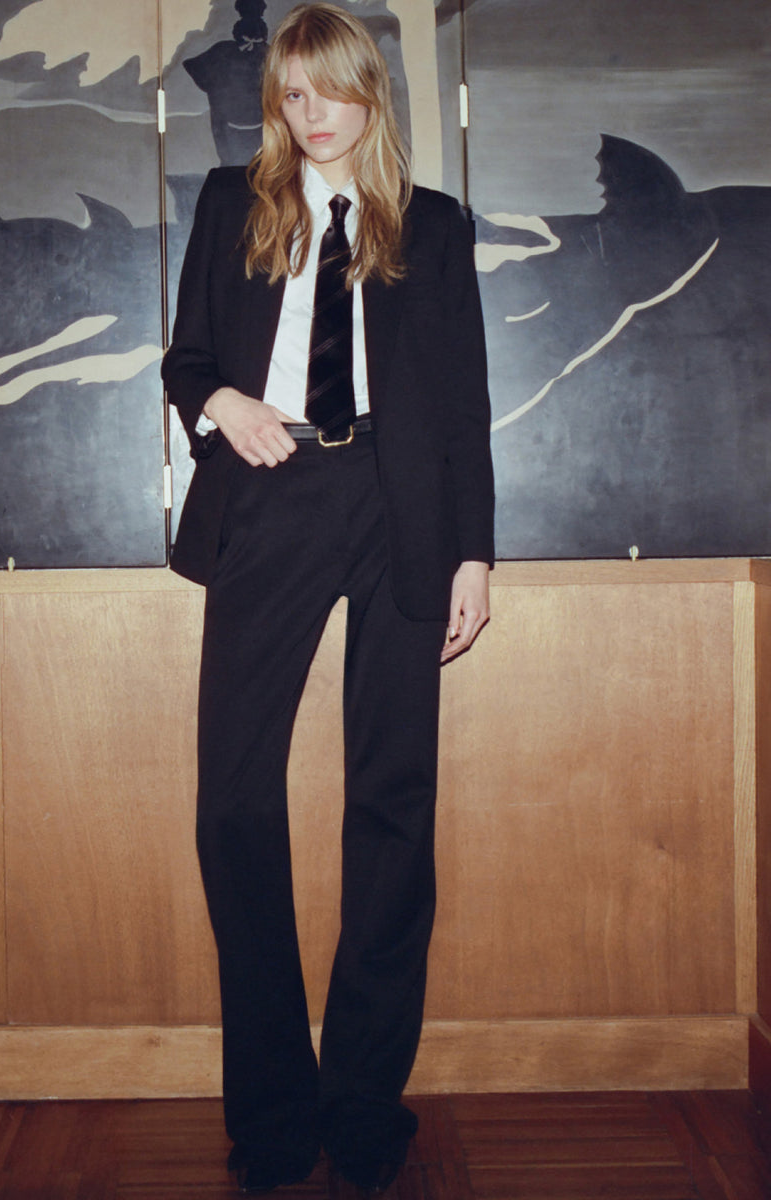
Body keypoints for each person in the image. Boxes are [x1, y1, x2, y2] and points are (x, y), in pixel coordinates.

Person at [162, 3, 494, 1193]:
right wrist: (223, 405)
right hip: (272, 495)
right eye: (292, 96)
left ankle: (361, 1106)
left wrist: (473, 555)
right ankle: (270, 1113)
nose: (312, 115)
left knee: (394, 802)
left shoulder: (433, 225)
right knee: (234, 801)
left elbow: (461, 403)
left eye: (331, 91)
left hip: (402, 512)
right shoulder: (231, 204)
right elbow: (186, 358)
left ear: (369, 92)